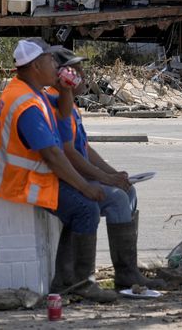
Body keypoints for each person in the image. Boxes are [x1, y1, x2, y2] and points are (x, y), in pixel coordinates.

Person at [0, 38, 116, 302]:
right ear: (36, 65)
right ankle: (79, 282)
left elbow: (62, 113)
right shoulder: (27, 103)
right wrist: (84, 185)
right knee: (84, 207)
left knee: (81, 209)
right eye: (51, 61)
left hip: (34, 175)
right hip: (24, 180)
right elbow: (54, 155)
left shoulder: (33, 91)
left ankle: (66, 280)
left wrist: (65, 88)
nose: (56, 66)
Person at [51, 47, 166, 291]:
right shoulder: (58, 103)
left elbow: (85, 149)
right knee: (115, 199)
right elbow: (69, 153)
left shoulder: (70, 104)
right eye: (76, 70)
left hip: (75, 177)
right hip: (63, 181)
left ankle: (128, 270)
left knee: (127, 192)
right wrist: (106, 179)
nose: (82, 75)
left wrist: (114, 174)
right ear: (62, 74)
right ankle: (123, 274)